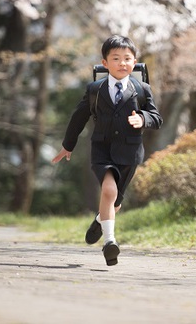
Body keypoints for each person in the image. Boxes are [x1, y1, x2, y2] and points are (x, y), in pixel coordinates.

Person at [52, 35, 162, 266]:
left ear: (135, 62)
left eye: (127, 59)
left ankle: (99, 220)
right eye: (116, 58)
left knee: (115, 202)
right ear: (105, 63)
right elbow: (78, 118)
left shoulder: (141, 89)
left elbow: (156, 117)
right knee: (109, 191)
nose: (122, 63)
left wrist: (143, 118)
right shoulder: (95, 89)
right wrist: (67, 146)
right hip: (102, 149)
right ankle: (109, 242)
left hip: (130, 153)